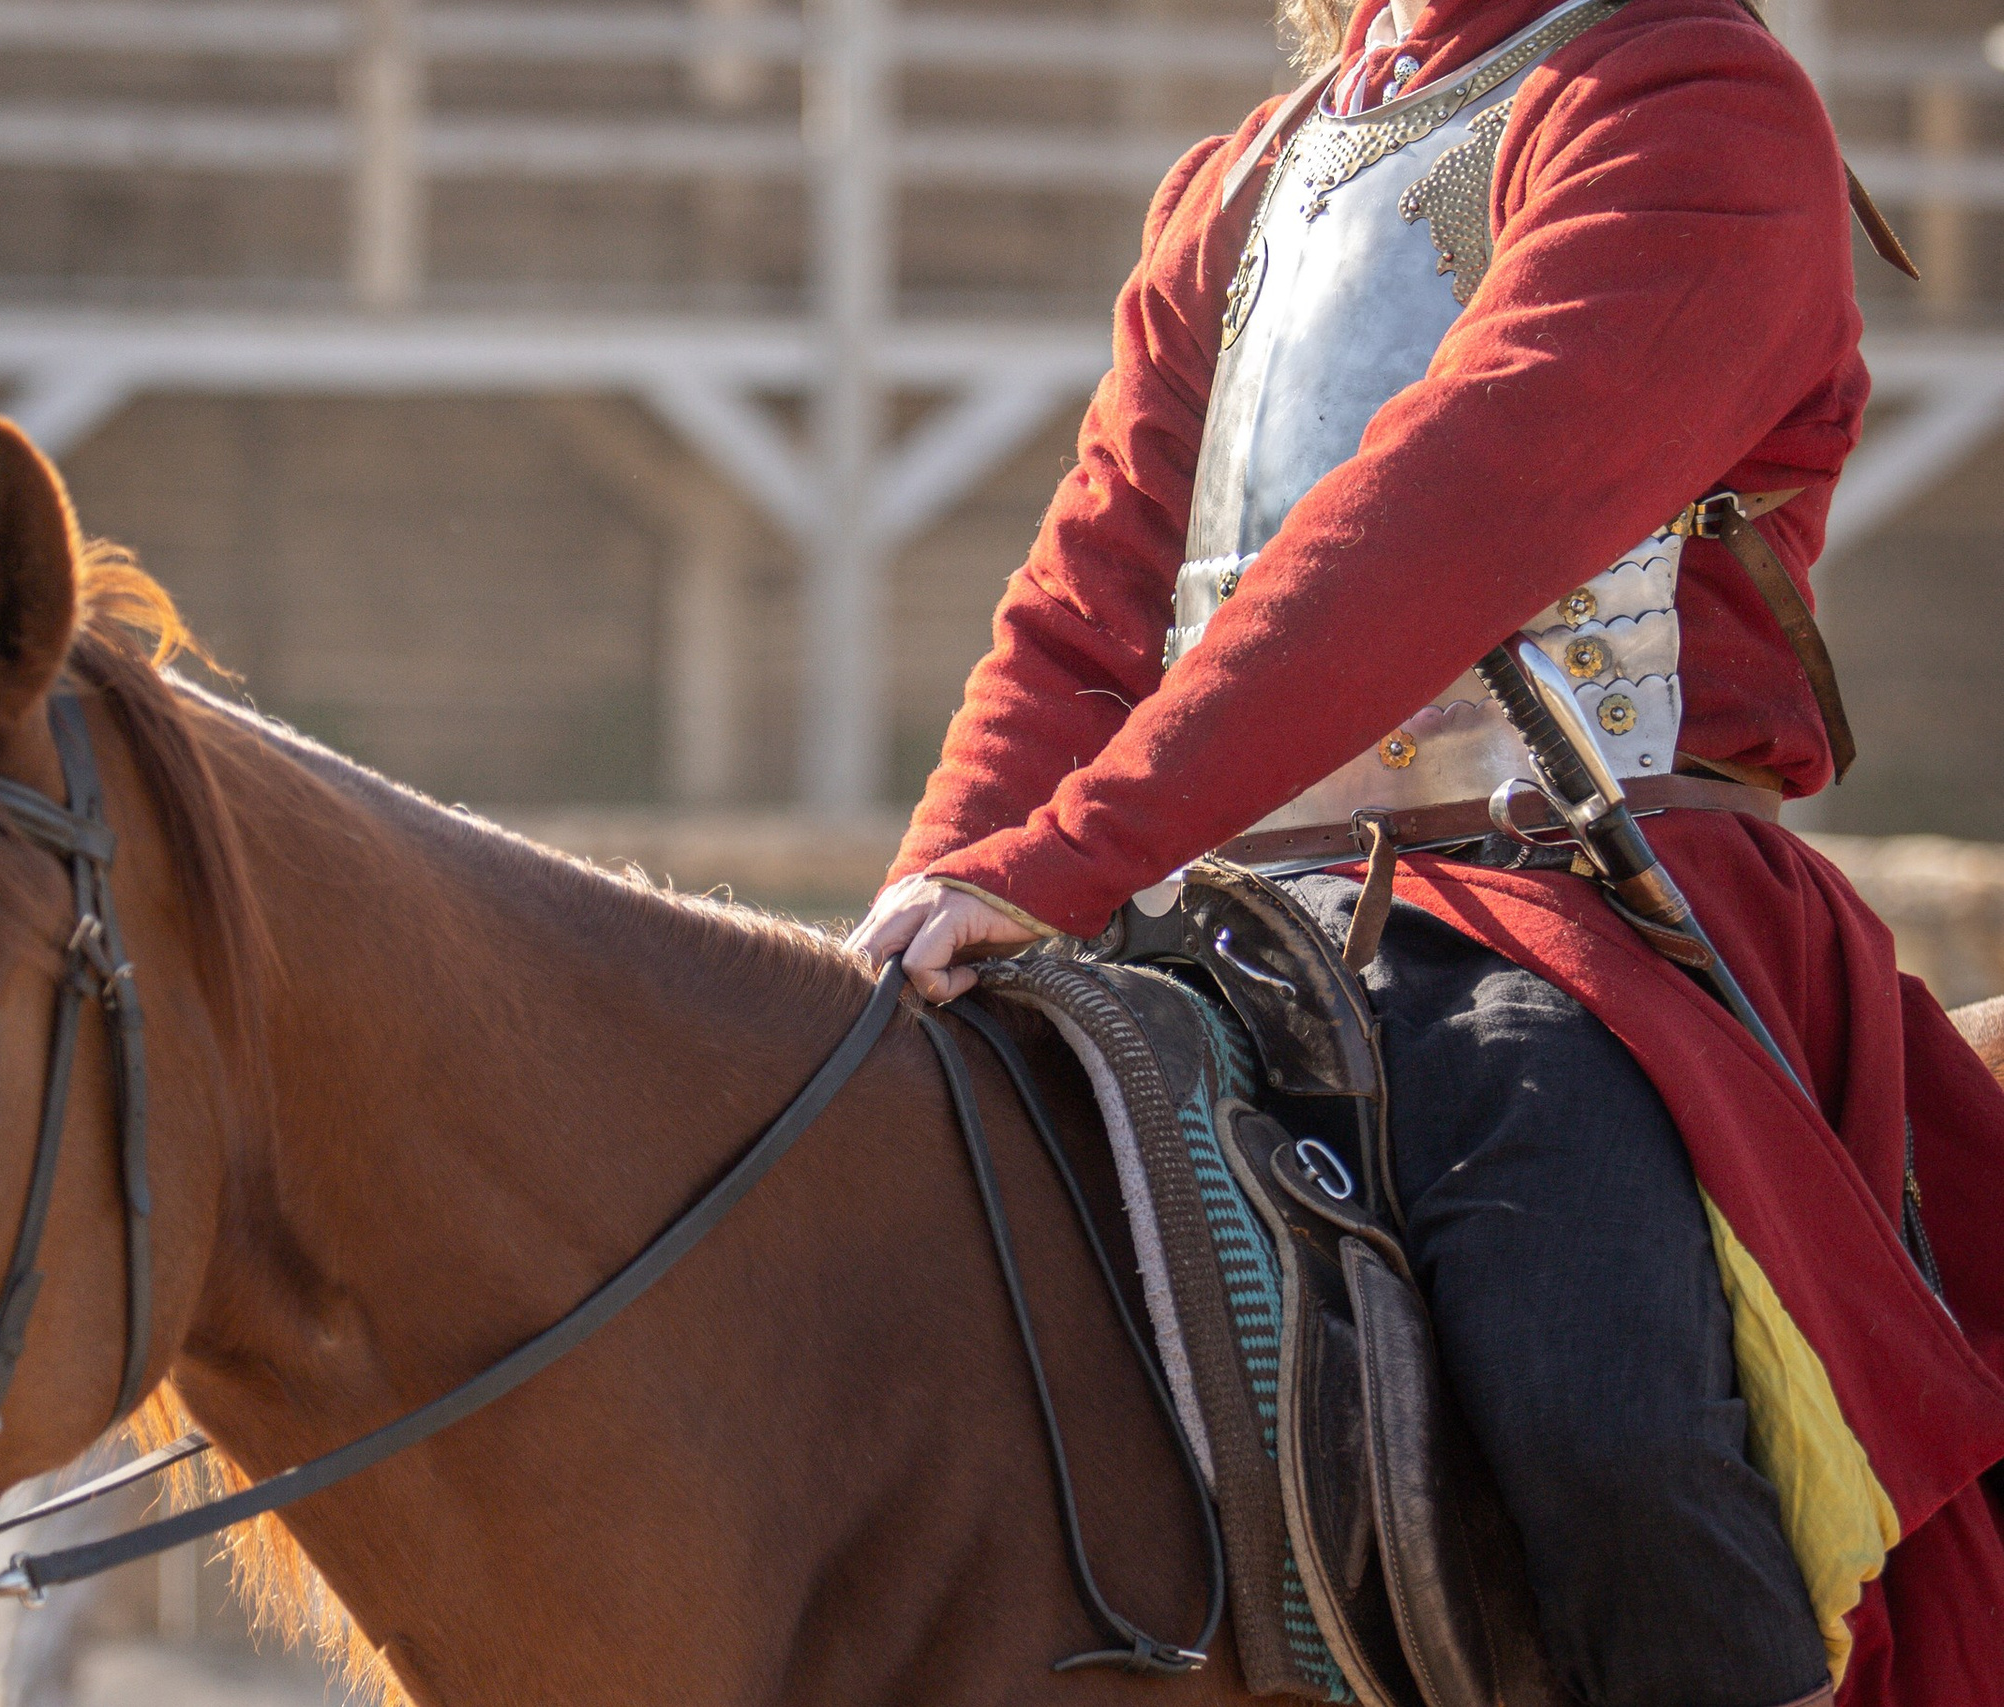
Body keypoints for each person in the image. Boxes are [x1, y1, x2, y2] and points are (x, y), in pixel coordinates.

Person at [848, 1, 2004, 1703]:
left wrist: (1071, 855)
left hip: (1563, 914)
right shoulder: (1251, 175)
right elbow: (1093, 610)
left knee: (1598, 1411)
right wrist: (938, 897)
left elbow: (1439, 527)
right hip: (1216, 915)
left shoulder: (1688, 100)